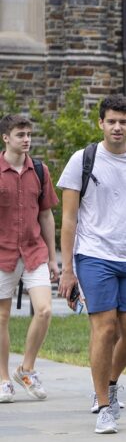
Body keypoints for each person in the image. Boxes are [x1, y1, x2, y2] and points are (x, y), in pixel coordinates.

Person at [57, 94, 126, 435]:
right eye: (111, 121)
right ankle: (105, 405)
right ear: (101, 123)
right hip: (93, 255)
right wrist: (67, 268)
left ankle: (109, 380)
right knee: (105, 327)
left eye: (123, 121)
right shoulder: (83, 159)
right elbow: (69, 217)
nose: (117, 126)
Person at [0, 114, 58, 403]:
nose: (26, 139)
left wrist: (53, 258)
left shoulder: (39, 170)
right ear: (6, 138)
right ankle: (2, 378)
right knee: (2, 317)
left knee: (45, 310)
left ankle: (26, 368)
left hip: (35, 251)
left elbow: (46, 213)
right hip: (2, 252)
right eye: (20, 134)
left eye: (29, 134)